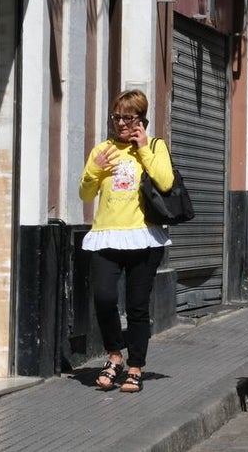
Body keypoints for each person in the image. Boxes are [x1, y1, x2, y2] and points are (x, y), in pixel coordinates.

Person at [79, 89, 174, 393]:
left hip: (143, 238)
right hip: (106, 236)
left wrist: (144, 148)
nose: (120, 123)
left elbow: (166, 181)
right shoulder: (103, 150)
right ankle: (114, 355)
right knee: (104, 298)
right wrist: (96, 169)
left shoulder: (155, 146)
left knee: (136, 307)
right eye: (116, 117)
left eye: (127, 117)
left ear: (141, 119)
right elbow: (85, 194)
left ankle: (135, 366)